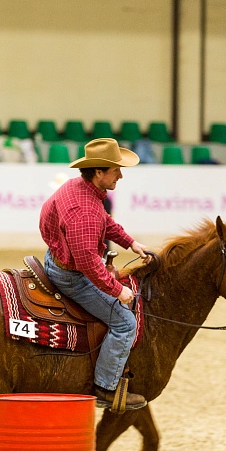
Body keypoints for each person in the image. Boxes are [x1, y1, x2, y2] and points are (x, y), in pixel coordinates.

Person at [39, 138, 153, 411]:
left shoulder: (77, 187)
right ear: (99, 172)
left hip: (56, 257)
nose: (121, 175)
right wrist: (117, 290)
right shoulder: (85, 210)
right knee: (125, 323)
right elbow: (89, 263)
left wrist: (130, 243)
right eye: (116, 170)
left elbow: (106, 222)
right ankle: (106, 387)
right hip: (71, 276)